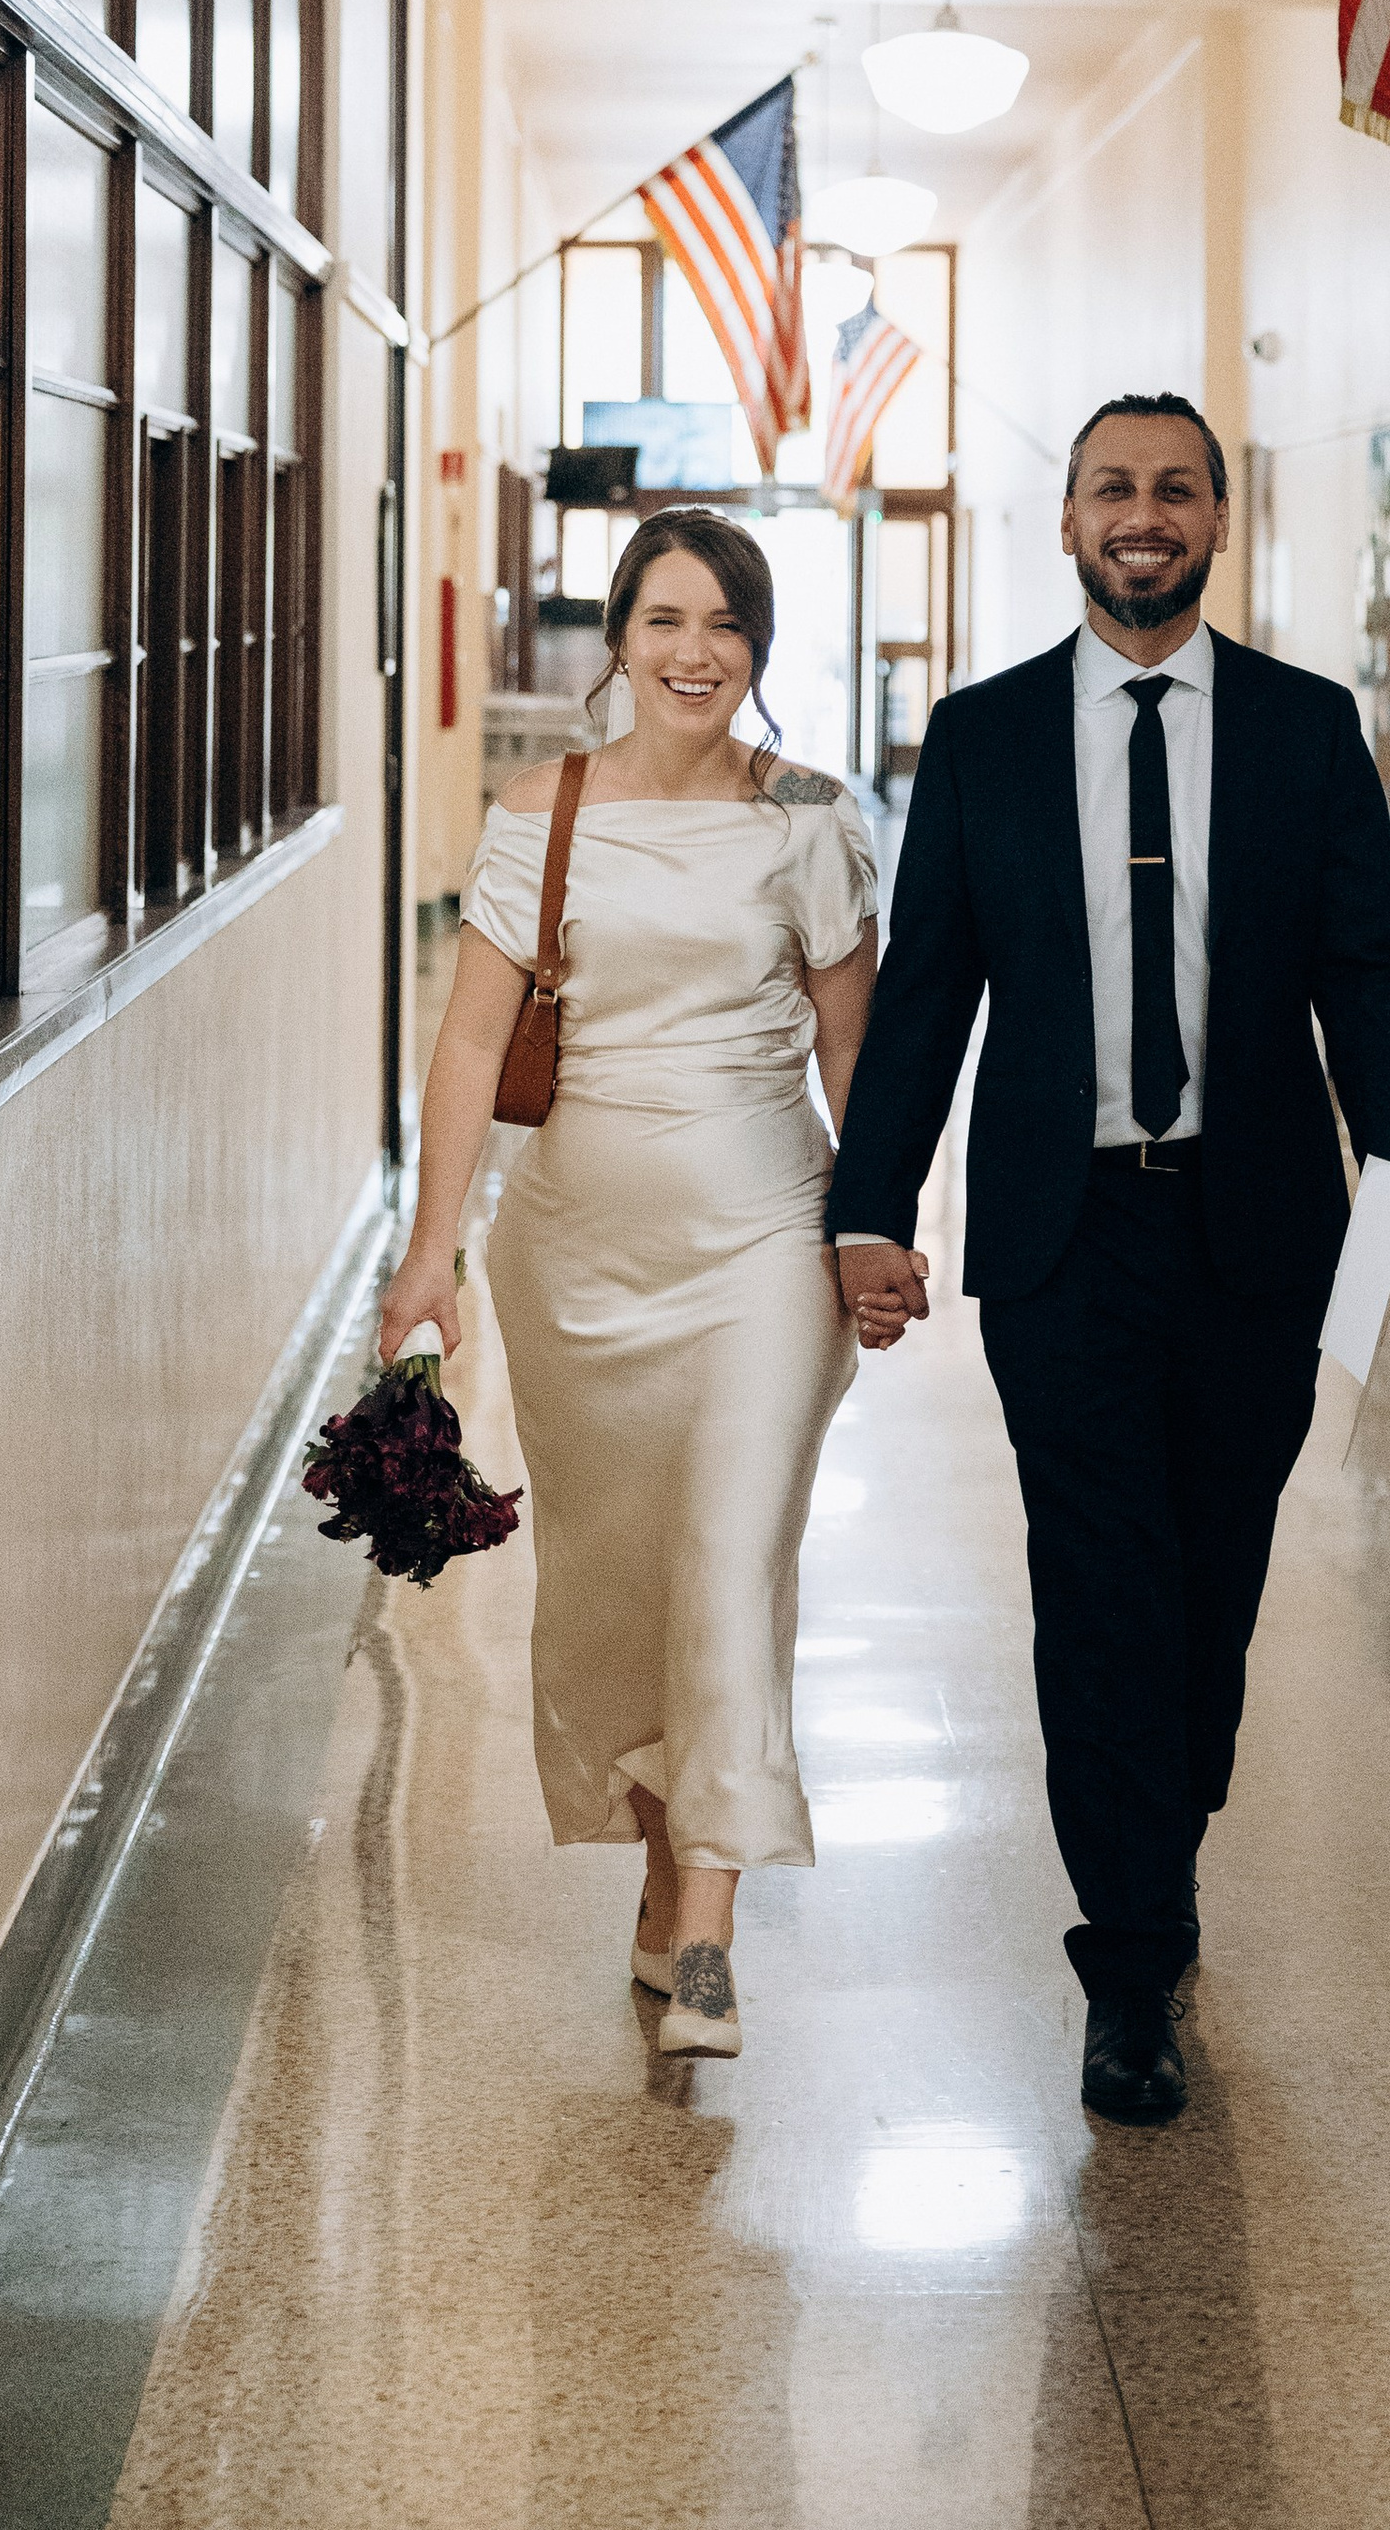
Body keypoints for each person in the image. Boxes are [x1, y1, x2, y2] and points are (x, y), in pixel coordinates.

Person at [829, 393, 1390, 2124]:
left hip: (1262, 1226)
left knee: (1214, 1579)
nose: (1144, 514)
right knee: (1100, 1580)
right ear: (1066, 522)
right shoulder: (981, 740)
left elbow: (1361, 966)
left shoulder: (1304, 729)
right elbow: (929, 999)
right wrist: (868, 1205)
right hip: (1063, 1228)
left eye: (1175, 490)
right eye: (1113, 486)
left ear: (1218, 522)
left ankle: (1160, 1836)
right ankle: (1129, 1951)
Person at [380, 507, 902, 2061]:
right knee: (621, 1576)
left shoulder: (810, 813)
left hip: (763, 1238)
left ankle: (715, 1930)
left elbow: (852, 1044)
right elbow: (473, 1042)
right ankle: (669, 1869)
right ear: (620, 637)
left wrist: (872, 1222)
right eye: (668, 621)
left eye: (728, 625)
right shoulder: (541, 809)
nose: (698, 653)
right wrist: (432, 1249)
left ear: (759, 648)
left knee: (731, 1557)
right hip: (577, 1256)